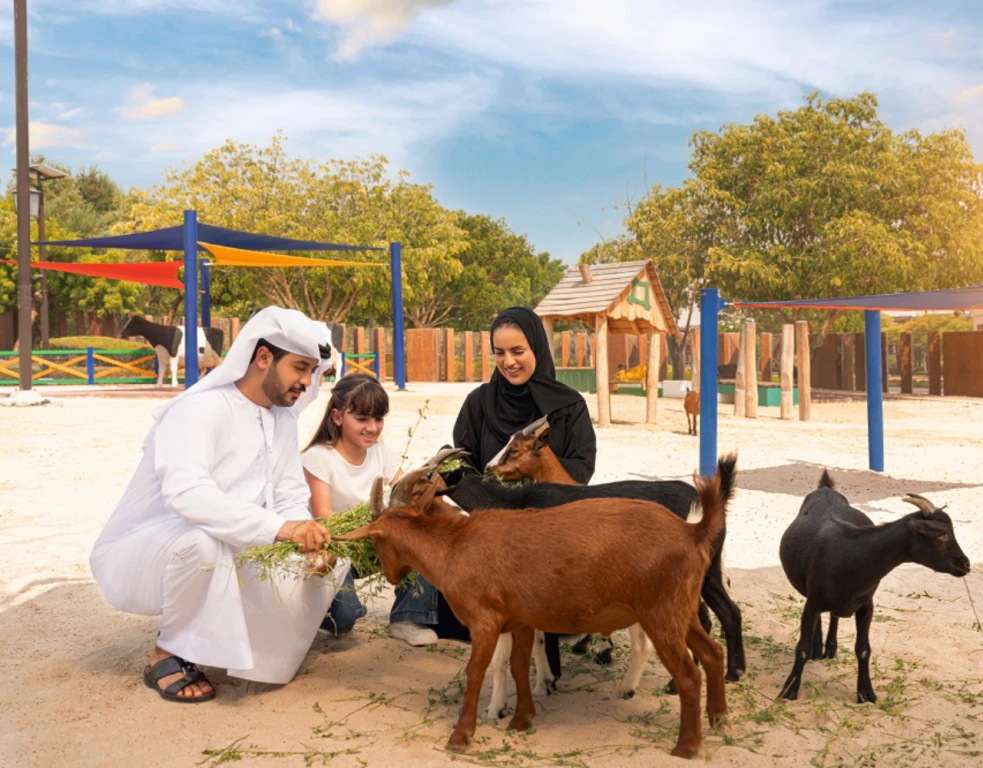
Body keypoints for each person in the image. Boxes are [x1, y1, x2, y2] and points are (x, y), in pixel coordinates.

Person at [90, 307, 350, 703]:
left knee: (331, 588)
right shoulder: (198, 410)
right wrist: (281, 529)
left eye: (313, 371)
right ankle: (167, 651)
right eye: (299, 368)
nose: (306, 381)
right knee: (206, 544)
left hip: (234, 539)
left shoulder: (281, 420)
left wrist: (306, 538)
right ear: (263, 357)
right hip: (151, 548)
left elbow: (288, 495)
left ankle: (226, 639)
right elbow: (187, 495)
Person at [388, 306, 597, 646]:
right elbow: (464, 461)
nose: (508, 361)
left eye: (518, 351)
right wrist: (446, 477)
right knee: (421, 507)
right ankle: (412, 612)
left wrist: (532, 469)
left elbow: (582, 468)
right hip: (489, 523)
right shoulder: (479, 402)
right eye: (499, 352)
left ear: (537, 348)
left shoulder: (568, 407)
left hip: (546, 523)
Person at [301, 373, 403, 636]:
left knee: (420, 535)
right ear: (338, 417)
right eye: (362, 419)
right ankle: (339, 610)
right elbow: (323, 515)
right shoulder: (319, 457)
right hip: (337, 546)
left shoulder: (382, 454)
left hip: (372, 543)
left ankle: (411, 615)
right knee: (343, 621)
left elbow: (406, 495)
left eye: (378, 418)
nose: (372, 427)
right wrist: (373, 526)